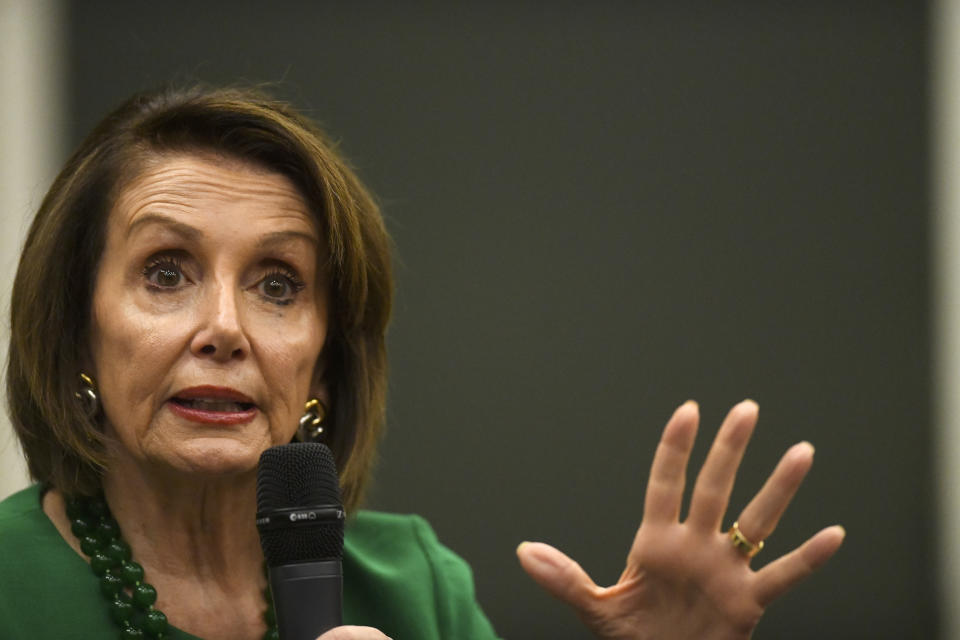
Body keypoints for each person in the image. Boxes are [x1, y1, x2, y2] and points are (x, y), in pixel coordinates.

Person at [0, 85, 844, 640]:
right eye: (167, 272)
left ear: (326, 368)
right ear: (76, 333)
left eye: (279, 284)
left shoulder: (415, 590)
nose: (225, 328)